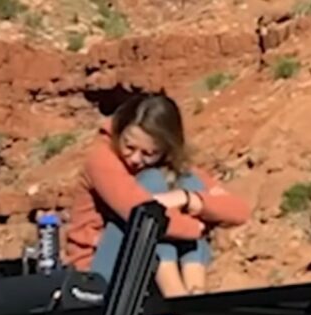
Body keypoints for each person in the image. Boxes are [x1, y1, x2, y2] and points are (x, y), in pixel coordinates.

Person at [66, 93, 250, 297]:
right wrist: (196, 226)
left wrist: (189, 199)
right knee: (153, 195)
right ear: (119, 132)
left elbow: (238, 210)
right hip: (97, 271)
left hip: (141, 260)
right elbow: (142, 215)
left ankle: (195, 289)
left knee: (187, 181)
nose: (135, 159)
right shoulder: (102, 159)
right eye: (129, 147)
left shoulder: (167, 164)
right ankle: (176, 294)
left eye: (149, 153)